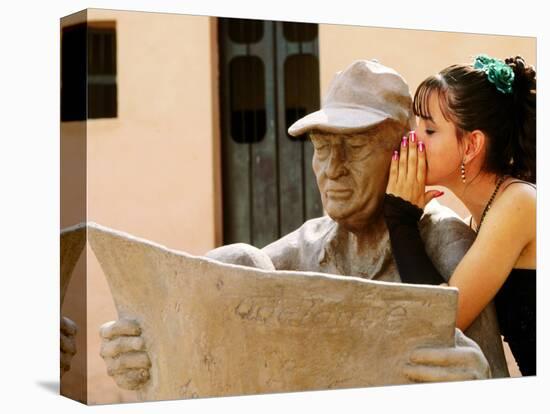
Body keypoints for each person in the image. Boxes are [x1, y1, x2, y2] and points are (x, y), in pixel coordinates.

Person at [99, 60, 498, 391]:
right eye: (322, 148)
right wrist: (146, 346)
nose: (332, 169)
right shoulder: (305, 246)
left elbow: (493, 375)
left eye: (355, 147)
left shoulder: (446, 241)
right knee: (236, 260)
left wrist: (479, 383)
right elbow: (187, 314)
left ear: (404, 154)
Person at [383, 55, 536, 376]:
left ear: (471, 145)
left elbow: (443, 322)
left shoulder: (519, 204)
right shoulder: (479, 220)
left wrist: (400, 220)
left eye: (429, 129)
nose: (412, 141)